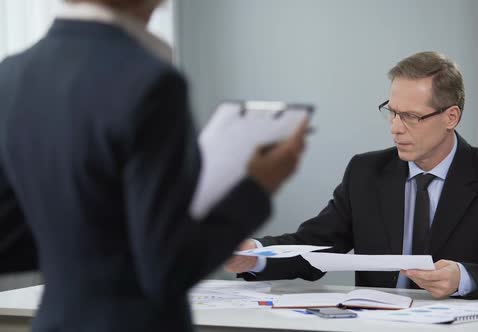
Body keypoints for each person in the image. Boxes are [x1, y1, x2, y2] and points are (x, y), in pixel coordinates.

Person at [0, 0, 308, 331]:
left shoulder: (13, 72)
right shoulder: (150, 80)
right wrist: (258, 186)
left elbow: (7, 241)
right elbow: (168, 268)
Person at [225, 51, 478, 299]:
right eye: (392, 112)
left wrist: (464, 277)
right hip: (378, 323)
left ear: (451, 116)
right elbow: (316, 245)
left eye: (410, 116)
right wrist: (255, 256)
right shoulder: (366, 172)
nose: (395, 128)